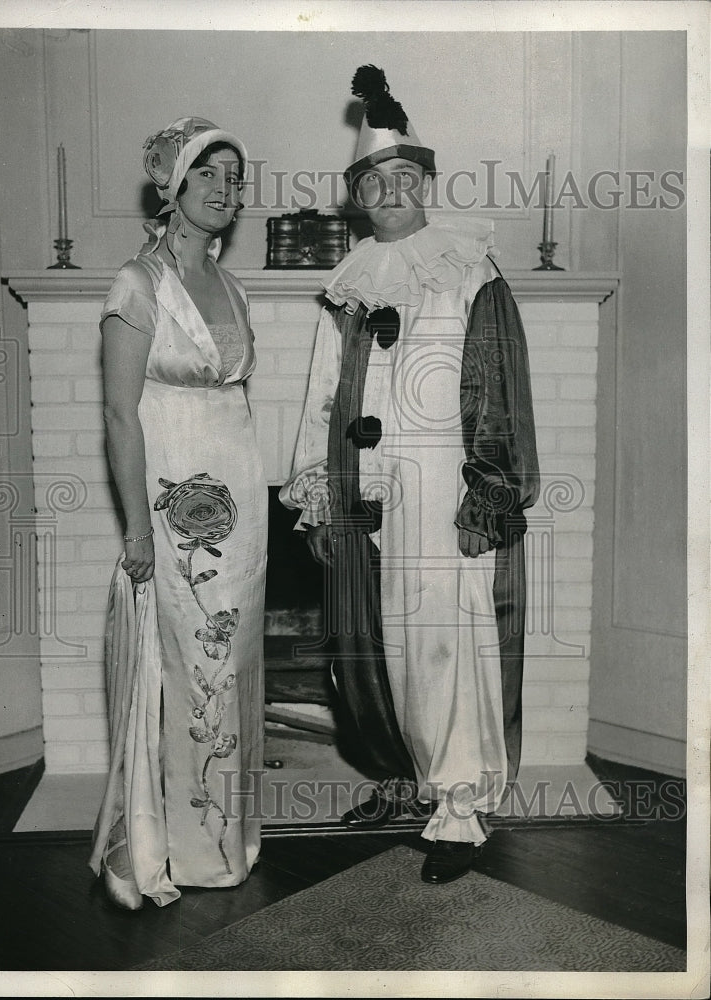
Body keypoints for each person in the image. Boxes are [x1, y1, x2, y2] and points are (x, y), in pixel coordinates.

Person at [280, 67, 539, 885]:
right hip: (366, 491)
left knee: (442, 648)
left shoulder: (470, 269)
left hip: (441, 488)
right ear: (358, 195)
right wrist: (320, 493)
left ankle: (459, 811)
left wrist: (486, 496)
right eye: (373, 182)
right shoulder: (350, 282)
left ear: (426, 185)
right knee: (376, 649)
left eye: (403, 179)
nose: (389, 193)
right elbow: (324, 392)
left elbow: (500, 390)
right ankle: (405, 778)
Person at [88, 117, 267, 909]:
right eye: (209, 175)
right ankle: (185, 849)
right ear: (174, 187)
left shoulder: (230, 284)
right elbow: (122, 417)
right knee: (195, 667)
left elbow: (236, 398)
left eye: (235, 176)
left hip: (242, 493)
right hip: (174, 501)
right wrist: (135, 529)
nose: (226, 189)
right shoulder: (136, 282)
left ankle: (228, 839)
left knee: (234, 666)